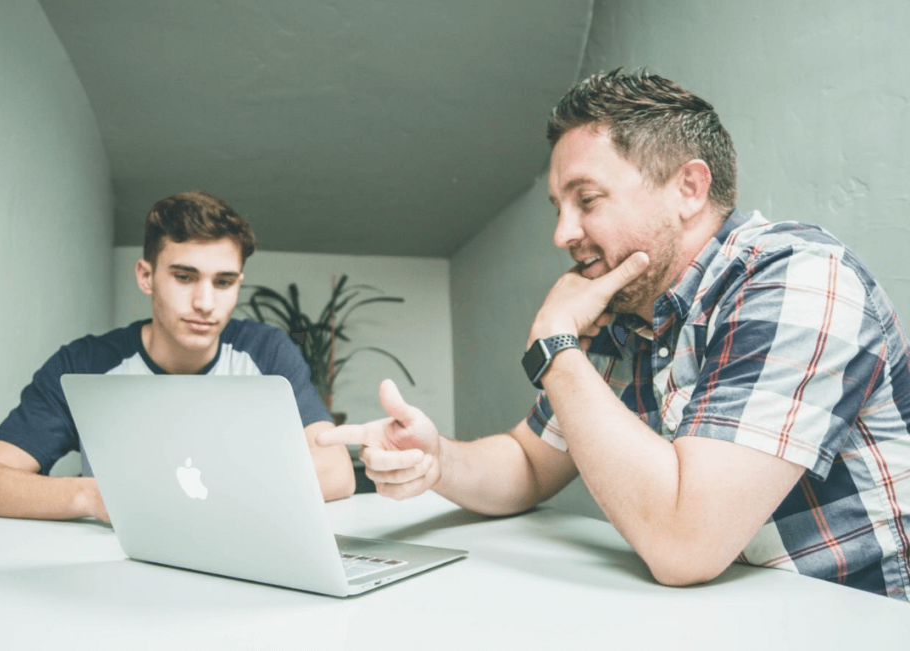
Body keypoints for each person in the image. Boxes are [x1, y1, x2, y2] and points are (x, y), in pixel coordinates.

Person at [319, 70, 910, 601]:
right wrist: (438, 458)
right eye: (558, 206)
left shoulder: (799, 279)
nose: (562, 233)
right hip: (729, 613)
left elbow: (686, 545)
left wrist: (555, 344)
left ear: (689, 189)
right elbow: (529, 462)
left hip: (859, 619)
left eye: (588, 200)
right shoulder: (627, 310)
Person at [0, 190, 355, 522]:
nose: (205, 302)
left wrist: (192, 495)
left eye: (224, 282)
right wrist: (95, 497)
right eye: (184, 277)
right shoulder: (85, 364)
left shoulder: (265, 351)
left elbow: (336, 472)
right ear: (146, 276)